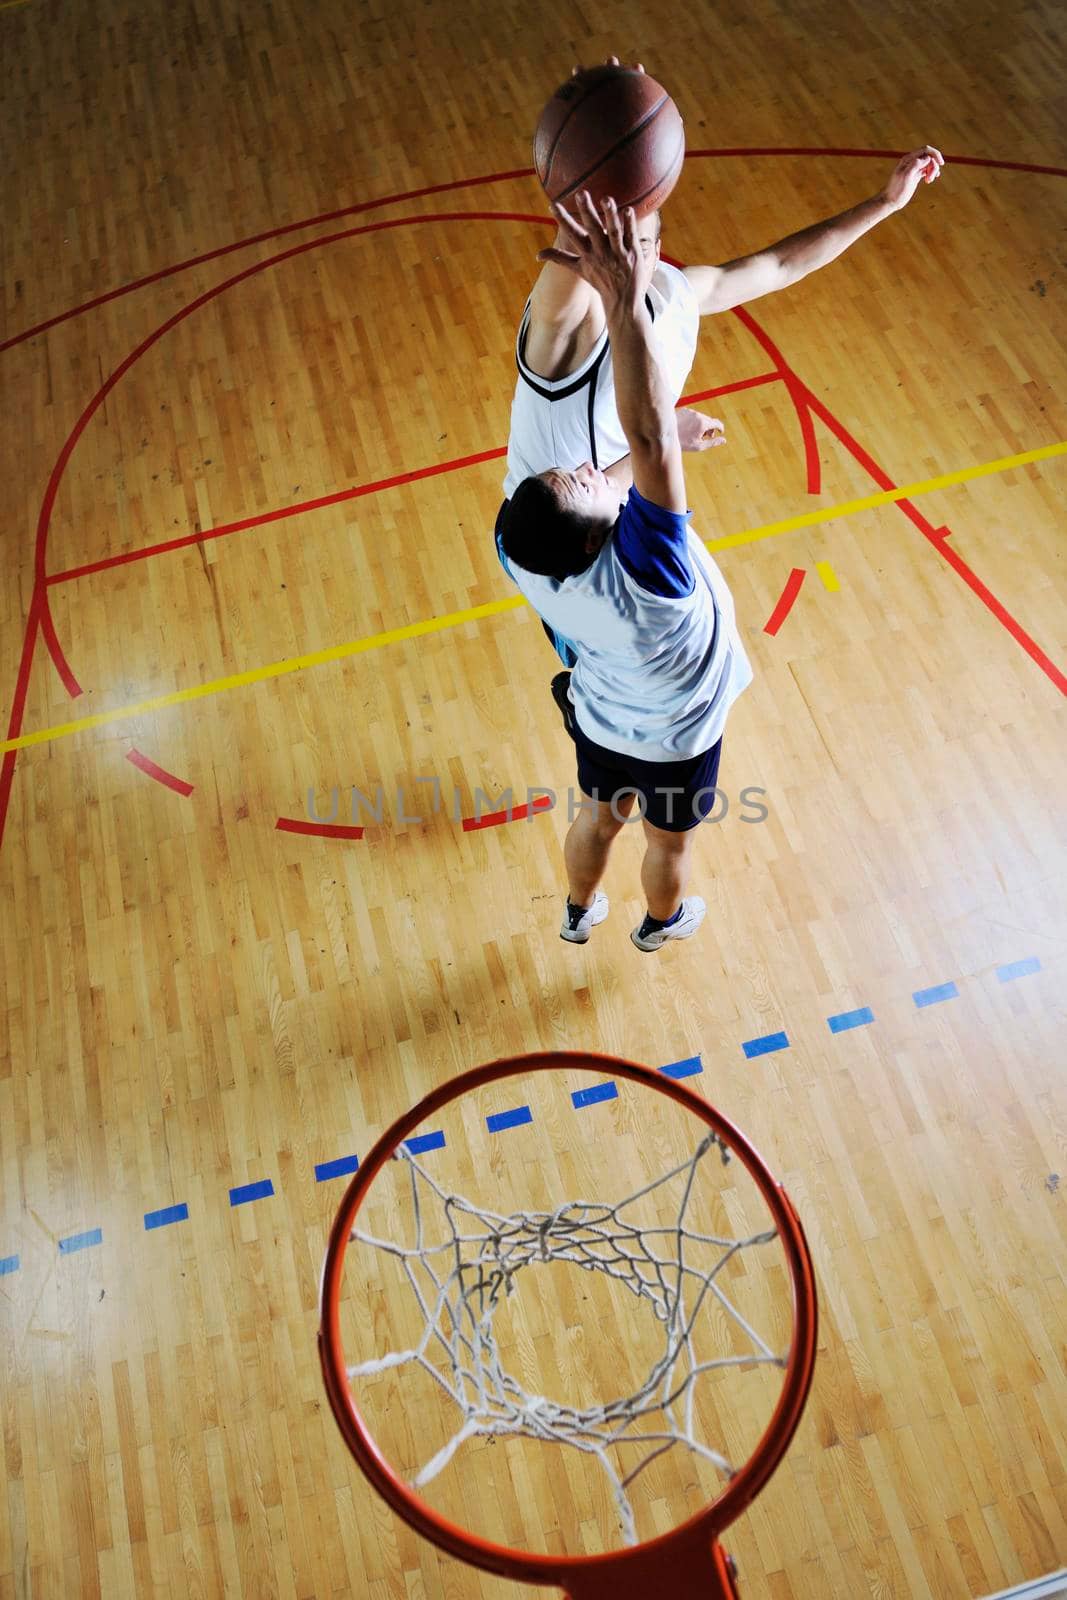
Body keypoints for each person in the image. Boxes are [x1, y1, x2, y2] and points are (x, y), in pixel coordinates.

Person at [498, 57, 943, 689]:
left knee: (691, 625)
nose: (627, 246)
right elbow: (572, 238)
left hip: (612, 498)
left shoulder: (675, 293)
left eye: (639, 234)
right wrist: (604, 122)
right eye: (613, 232)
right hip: (548, 530)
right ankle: (589, 694)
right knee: (620, 669)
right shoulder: (560, 336)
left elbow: (780, 265)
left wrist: (885, 203)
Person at [497, 190, 752, 952]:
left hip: (604, 718)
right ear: (589, 535)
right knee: (668, 847)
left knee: (595, 819)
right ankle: (660, 924)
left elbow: (623, 468)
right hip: (677, 740)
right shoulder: (654, 574)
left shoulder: (531, 565)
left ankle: (577, 914)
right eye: (576, 481)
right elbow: (644, 436)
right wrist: (619, 294)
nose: (578, 470)